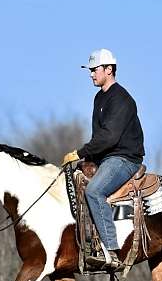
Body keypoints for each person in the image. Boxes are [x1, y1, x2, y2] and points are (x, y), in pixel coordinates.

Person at [62, 49, 145, 268]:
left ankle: (111, 252)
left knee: (94, 191)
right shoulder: (99, 97)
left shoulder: (121, 99)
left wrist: (79, 153)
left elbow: (109, 137)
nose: (91, 74)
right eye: (89, 71)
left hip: (124, 158)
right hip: (107, 157)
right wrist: (87, 159)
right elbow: (98, 136)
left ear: (109, 70)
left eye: (94, 70)